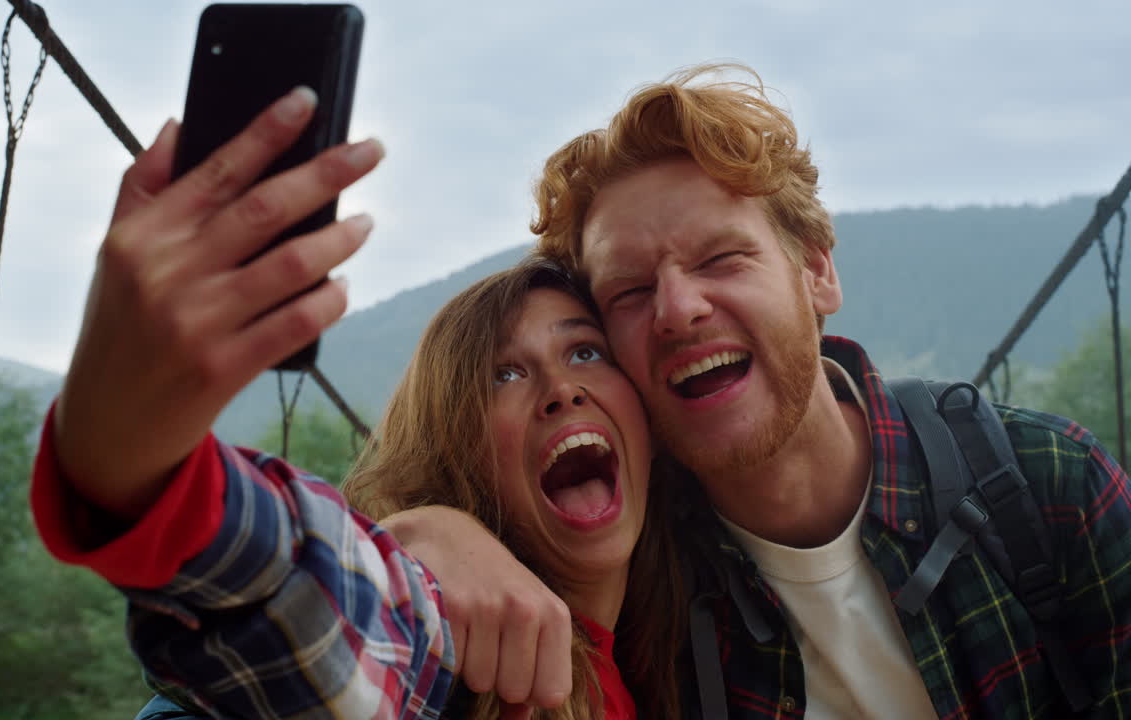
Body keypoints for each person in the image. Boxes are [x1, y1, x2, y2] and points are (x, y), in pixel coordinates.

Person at [387, 63, 1131, 718]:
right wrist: (420, 540)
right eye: (631, 290)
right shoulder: (642, 571)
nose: (679, 309)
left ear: (817, 272)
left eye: (720, 258)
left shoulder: (1044, 486)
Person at [30, 84, 685, 719]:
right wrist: (127, 454)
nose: (560, 390)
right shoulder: (446, 646)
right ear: (461, 456)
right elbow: (316, 607)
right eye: (503, 376)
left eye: (585, 353)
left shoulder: (687, 635)